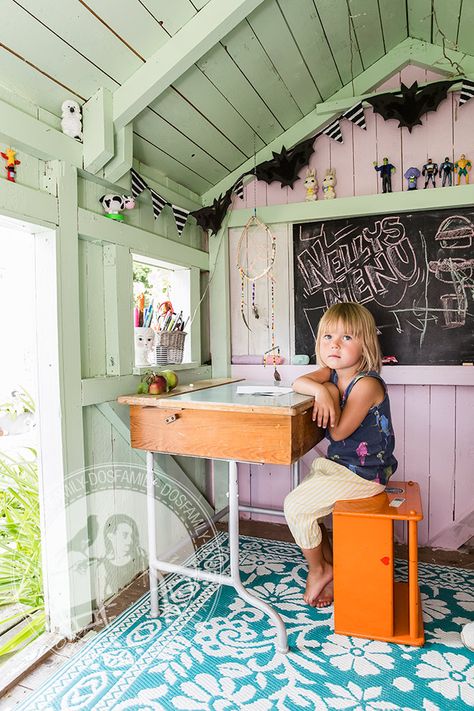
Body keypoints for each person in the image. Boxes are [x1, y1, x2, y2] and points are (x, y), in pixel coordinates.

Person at [284, 302, 397, 609]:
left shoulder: (367, 384)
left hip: (366, 475)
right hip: (340, 467)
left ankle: (319, 569)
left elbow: (337, 433)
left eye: (347, 338)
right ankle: (334, 571)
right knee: (308, 508)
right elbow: (298, 382)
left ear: (365, 345)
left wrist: (329, 393)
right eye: (328, 337)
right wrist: (323, 391)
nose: (334, 344)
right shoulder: (331, 373)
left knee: (295, 507)